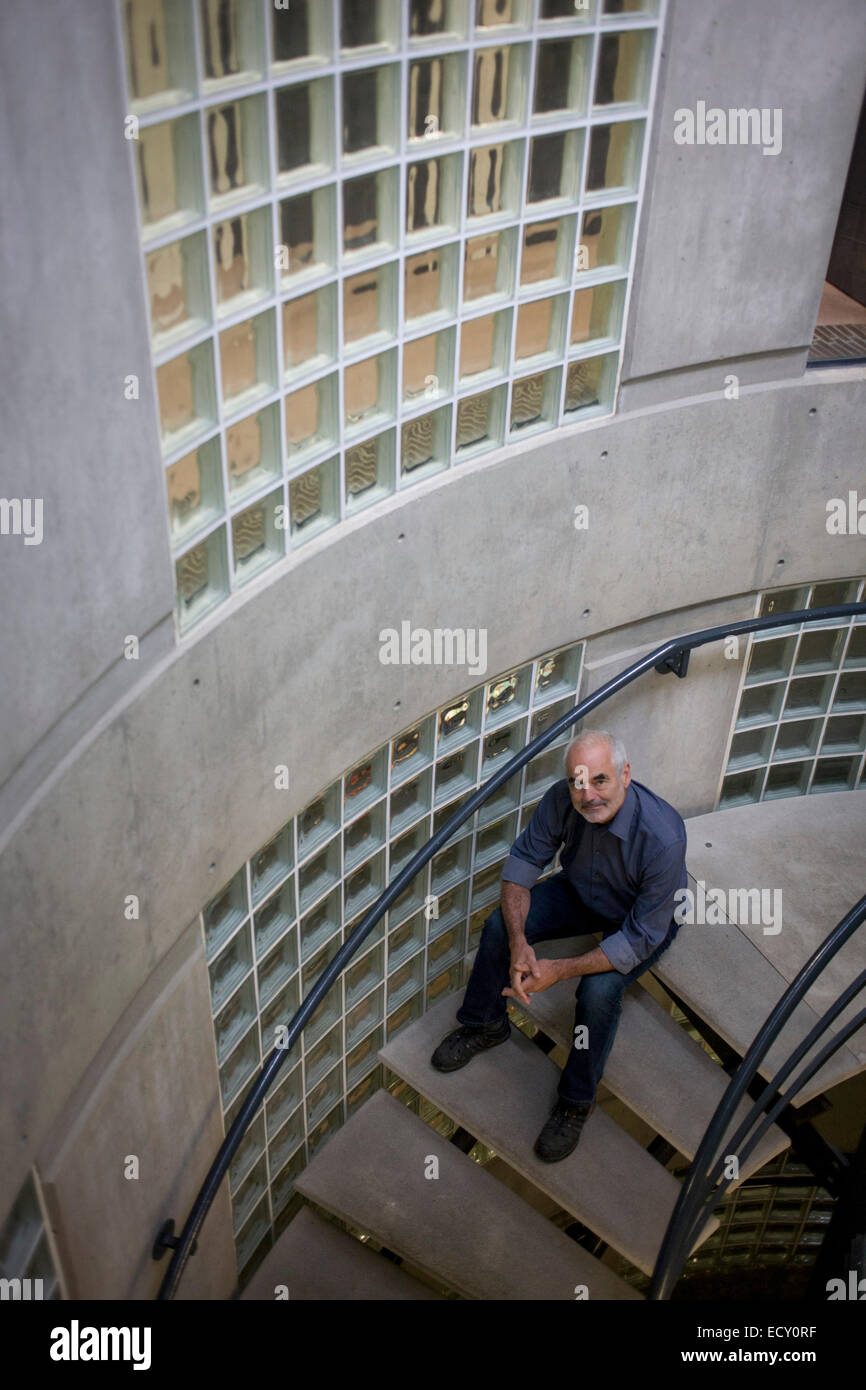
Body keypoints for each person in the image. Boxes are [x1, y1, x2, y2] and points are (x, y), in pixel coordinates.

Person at [430, 729, 688, 1162]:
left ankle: (575, 1101)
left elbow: (639, 938)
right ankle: (484, 1023)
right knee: (499, 925)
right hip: (583, 891)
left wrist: (560, 969)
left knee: (598, 993)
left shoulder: (664, 837)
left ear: (626, 775)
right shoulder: (562, 798)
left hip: (638, 917)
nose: (587, 795)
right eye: (577, 781)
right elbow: (522, 865)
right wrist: (519, 943)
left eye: (600, 780)